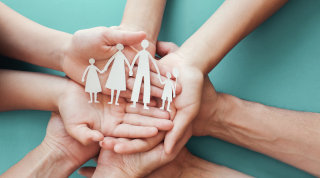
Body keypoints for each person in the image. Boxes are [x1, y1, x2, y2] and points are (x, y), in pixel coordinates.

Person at [129, 40, 163, 109]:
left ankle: (145, 104)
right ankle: (134, 102)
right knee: (137, 85)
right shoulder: (140, 53)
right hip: (140, 70)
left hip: (146, 71)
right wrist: (130, 69)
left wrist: (158, 72)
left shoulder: (147, 54)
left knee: (146, 86)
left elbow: (153, 62)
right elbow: (134, 60)